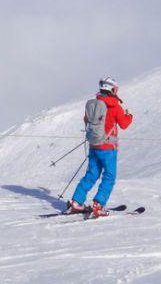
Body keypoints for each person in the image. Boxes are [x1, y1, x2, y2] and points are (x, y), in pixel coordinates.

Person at [67, 77, 133, 217]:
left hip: (94, 144)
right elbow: (124, 124)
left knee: (91, 174)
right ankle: (98, 205)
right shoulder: (115, 107)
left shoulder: (93, 104)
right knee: (109, 176)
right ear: (112, 89)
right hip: (108, 147)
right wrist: (129, 116)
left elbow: (86, 120)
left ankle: (76, 202)